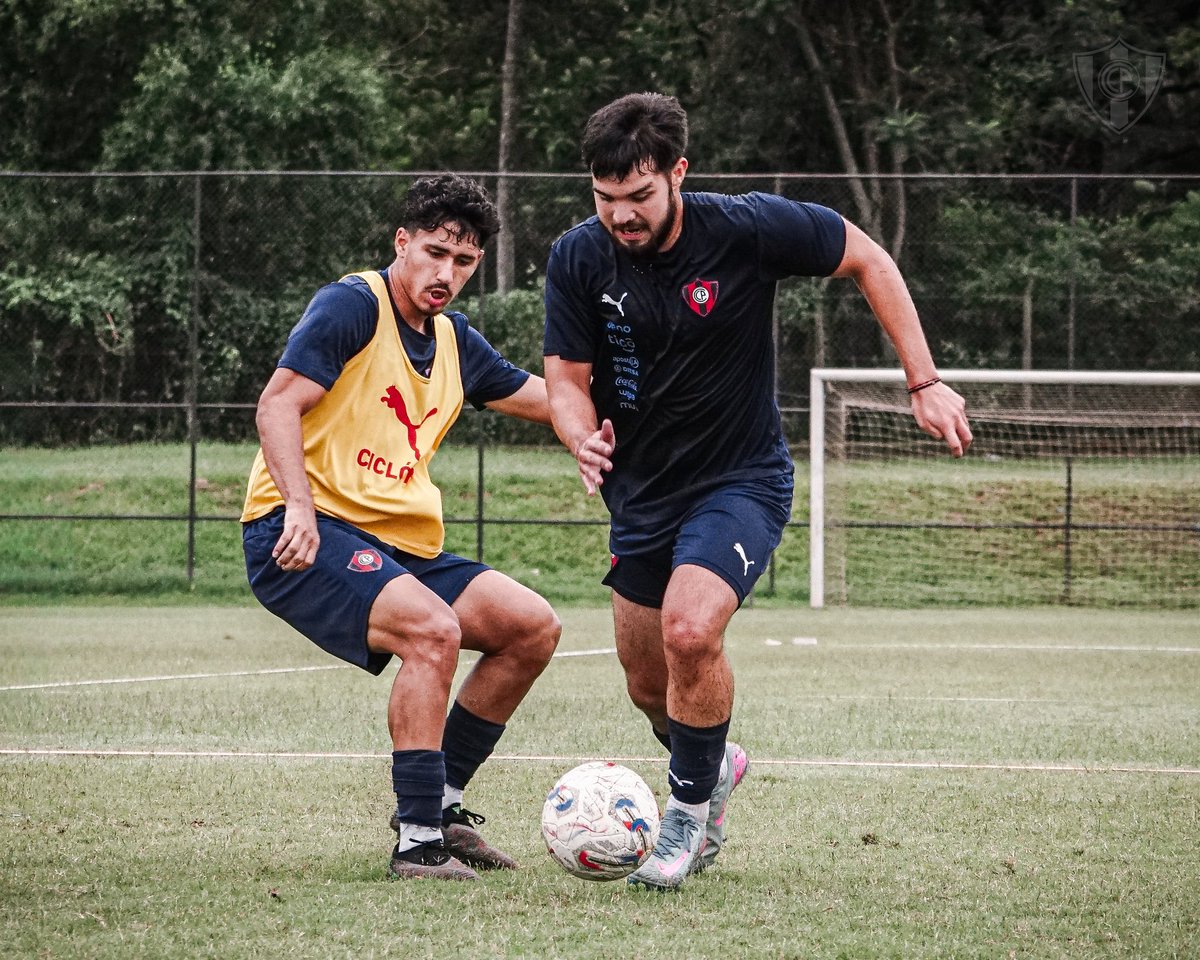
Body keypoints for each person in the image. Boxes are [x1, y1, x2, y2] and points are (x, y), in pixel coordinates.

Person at [543, 93, 972, 891]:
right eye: (605, 201)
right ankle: (714, 765)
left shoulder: (743, 227)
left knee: (689, 630)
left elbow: (868, 258)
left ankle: (686, 823)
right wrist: (580, 435)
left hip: (742, 479)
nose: (621, 217)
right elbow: (564, 380)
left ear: (679, 172)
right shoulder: (578, 257)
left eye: (638, 197)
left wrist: (924, 381)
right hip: (641, 495)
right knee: (646, 683)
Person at [242, 173, 561, 882]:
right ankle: (418, 842)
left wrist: (629, 413)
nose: (447, 273)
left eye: (465, 261)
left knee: (531, 627)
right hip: (301, 529)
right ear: (403, 243)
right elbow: (276, 406)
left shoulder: (453, 340)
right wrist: (296, 503)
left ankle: (441, 807)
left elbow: (545, 400)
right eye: (436, 252)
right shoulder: (352, 305)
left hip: (400, 546)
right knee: (433, 631)